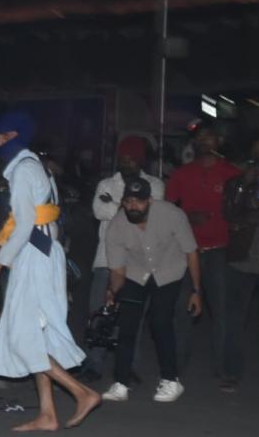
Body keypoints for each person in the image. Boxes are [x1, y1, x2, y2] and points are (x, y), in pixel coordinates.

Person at [0, 112, 99, 431]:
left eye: (7, 136)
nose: (0, 142)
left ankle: (82, 392)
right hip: (41, 253)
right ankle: (48, 413)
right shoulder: (35, 167)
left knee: (22, 336)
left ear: (20, 136)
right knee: (38, 334)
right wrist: (3, 249)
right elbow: (31, 221)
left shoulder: (23, 170)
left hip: (35, 257)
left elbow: (23, 224)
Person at [100, 178, 201, 403]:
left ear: (150, 201)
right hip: (136, 273)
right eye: (128, 201)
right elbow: (117, 270)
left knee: (160, 321)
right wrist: (112, 292)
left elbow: (191, 252)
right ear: (123, 201)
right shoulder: (117, 226)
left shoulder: (173, 214)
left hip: (169, 271)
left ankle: (170, 379)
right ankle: (121, 382)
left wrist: (196, 290)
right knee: (127, 324)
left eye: (139, 201)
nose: (133, 206)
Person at [84, 136, 166, 381]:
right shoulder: (107, 183)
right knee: (99, 313)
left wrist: (120, 206)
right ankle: (93, 364)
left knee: (133, 318)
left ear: (140, 159)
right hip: (106, 259)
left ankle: (128, 366)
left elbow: (150, 216)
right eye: (122, 158)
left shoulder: (155, 184)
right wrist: (131, 205)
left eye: (131, 158)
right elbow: (100, 211)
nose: (126, 162)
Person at [165, 120, 240, 381]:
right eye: (200, 138)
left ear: (219, 142)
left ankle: (223, 368)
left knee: (221, 312)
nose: (204, 142)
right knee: (181, 311)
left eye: (210, 137)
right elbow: (167, 211)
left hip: (220, 251)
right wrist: (186, 216)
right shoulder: (182, 174)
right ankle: (175, 368)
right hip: (187, 252)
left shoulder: (232, 173)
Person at [221, 131, 259, 390]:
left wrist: (250, 216)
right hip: (242, 262)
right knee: (234, 320)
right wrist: (244, 183)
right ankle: (231, 373)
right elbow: (229, 213)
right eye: (255, 149)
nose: (258, 153)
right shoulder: (238, 183)